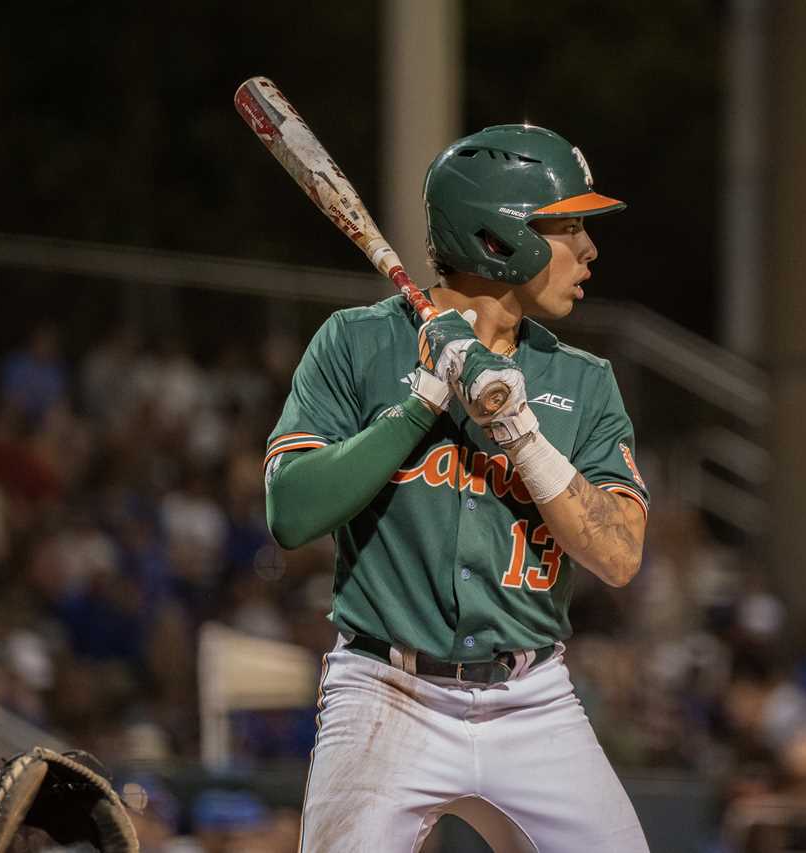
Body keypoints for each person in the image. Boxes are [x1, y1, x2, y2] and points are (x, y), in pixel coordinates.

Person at [264, 124, 651, 851]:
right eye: (568, 226)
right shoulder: (357, 343)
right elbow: (290, 511)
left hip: (531, 698)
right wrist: (419, 405)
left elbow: (621, 556)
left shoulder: (581, 381)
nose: (589, 249)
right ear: (502, 239)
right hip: (385, 688)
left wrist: (522, 435)